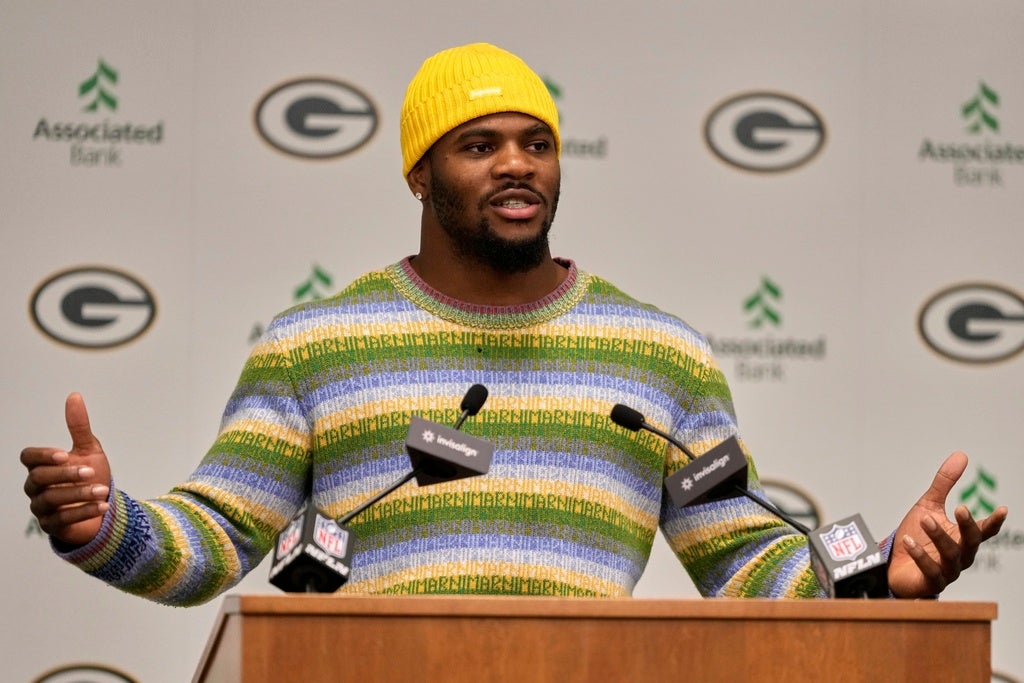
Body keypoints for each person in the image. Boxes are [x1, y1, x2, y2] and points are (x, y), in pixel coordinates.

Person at [21, 43, 1006, 606]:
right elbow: (215, 537)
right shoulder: (316, 343)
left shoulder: (657, 353)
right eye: (478, 144)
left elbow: (749, 559)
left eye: (536, 143)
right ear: (418, 171)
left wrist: (886, 570)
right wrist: (104, 522)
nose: (516, 165)